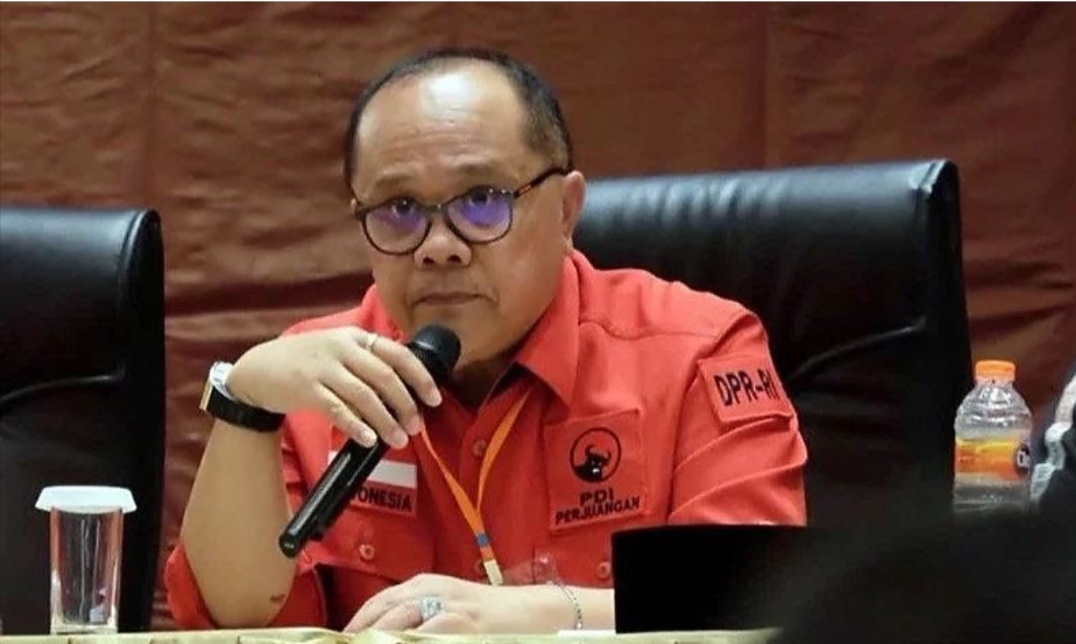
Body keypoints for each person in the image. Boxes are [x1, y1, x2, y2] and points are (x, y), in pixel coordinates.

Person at [165, 47, 807, 634]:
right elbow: (236, 620)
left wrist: (545, 616)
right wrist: (245, 405)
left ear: (565, 212)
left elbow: (759, 603)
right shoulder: (313, 384)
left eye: (482, 201)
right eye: (399, 210)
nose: (439, 247)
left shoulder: (697, 353)